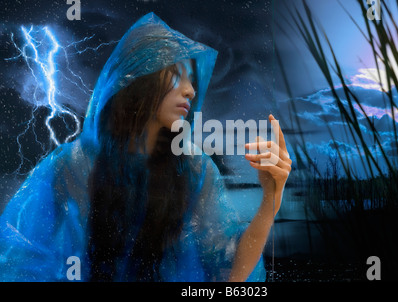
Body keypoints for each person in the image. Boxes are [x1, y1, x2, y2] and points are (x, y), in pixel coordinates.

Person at [0, 12, 291, 282]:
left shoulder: (195, 169)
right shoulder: (69, 165)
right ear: (140, 76)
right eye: (179, 74)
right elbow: (21, 262)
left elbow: (229, 274)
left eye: (193, 79)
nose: (191, 90)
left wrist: (271, 200)